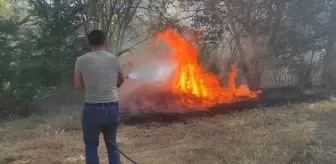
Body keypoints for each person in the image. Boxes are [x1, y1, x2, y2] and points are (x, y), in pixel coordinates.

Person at [74, 29, 125, 164]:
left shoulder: (81, 60)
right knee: (113, 146)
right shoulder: (114, 59)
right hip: (111, 108)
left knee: (91, 146)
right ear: (105, 42)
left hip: (92, 110)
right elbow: (121, 81)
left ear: (89, 43)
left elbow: (78, 84)